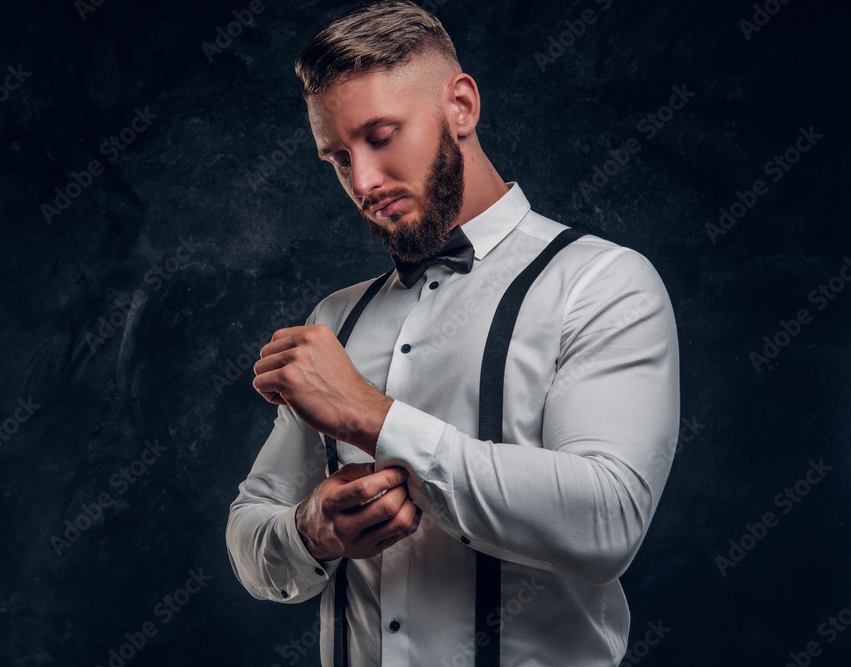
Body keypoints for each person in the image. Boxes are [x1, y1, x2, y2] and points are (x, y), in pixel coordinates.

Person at [226, 1, 680, 664]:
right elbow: (250, 528)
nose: (364, 181)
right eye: (338, 157)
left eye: (381, 135)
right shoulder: (335, 320)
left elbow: (607, 520)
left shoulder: (603, 282)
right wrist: (311, 532)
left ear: (461, 106)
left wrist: (374, 416)